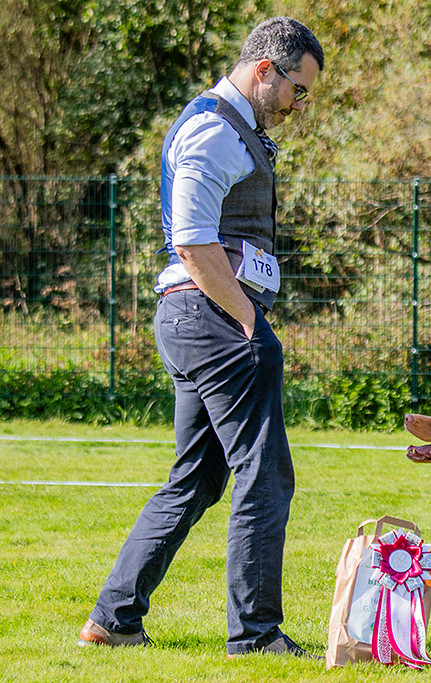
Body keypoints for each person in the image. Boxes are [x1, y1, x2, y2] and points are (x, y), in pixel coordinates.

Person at [78, 17, 324, 658]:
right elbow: (191, 240)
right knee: (264, 475)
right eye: (298, 89)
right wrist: (248, 321)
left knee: (198, 478)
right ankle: (257, 635)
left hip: (195, 318)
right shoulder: (216, 129)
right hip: (214, 317)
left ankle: (114, 618)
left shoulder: (230, 127)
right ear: (265, 70)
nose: (300, 105)